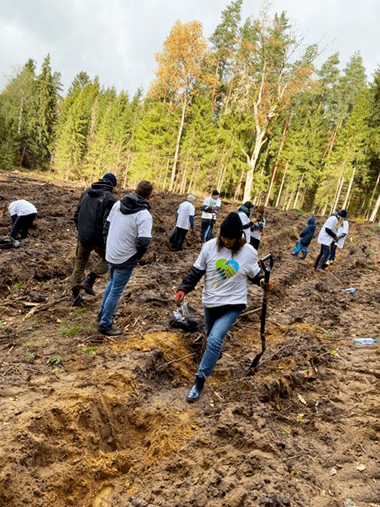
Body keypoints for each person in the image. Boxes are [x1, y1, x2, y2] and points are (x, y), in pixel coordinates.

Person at [175, 212, 267, 403]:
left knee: (215, 339)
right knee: (211, 337)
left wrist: (264, 282)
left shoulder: (248, 251)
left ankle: (199, 380)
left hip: (233, 304)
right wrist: (183, 289)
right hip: (210, 302)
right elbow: (196, 271)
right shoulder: (209, 247)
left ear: (239, 237)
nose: (226, 241)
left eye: (231, 238)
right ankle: (214, 353)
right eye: (224, 236)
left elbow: (256, 275)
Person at [98, 180, 153, 336]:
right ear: (149, 196)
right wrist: (136, 258)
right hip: (125, 257)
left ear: (135, 190)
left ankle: (103, 312)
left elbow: (106, 226)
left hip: (112, 253)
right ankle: (104, 324)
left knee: (112, 284)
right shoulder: (144, 215)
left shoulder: (118, 204)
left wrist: (108, 246)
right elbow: (143, 242)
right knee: (116, 290)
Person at [71, 173, 117, 305]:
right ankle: (90, 280)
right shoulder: (109, 198)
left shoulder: (86, 193)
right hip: (98, 239)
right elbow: (107, 222)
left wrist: (81, 233)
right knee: (110, 259)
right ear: (111, 185)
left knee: (79, 265)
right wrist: (107, 240)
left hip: (83, 237)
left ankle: (75, 296)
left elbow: (76, 215)